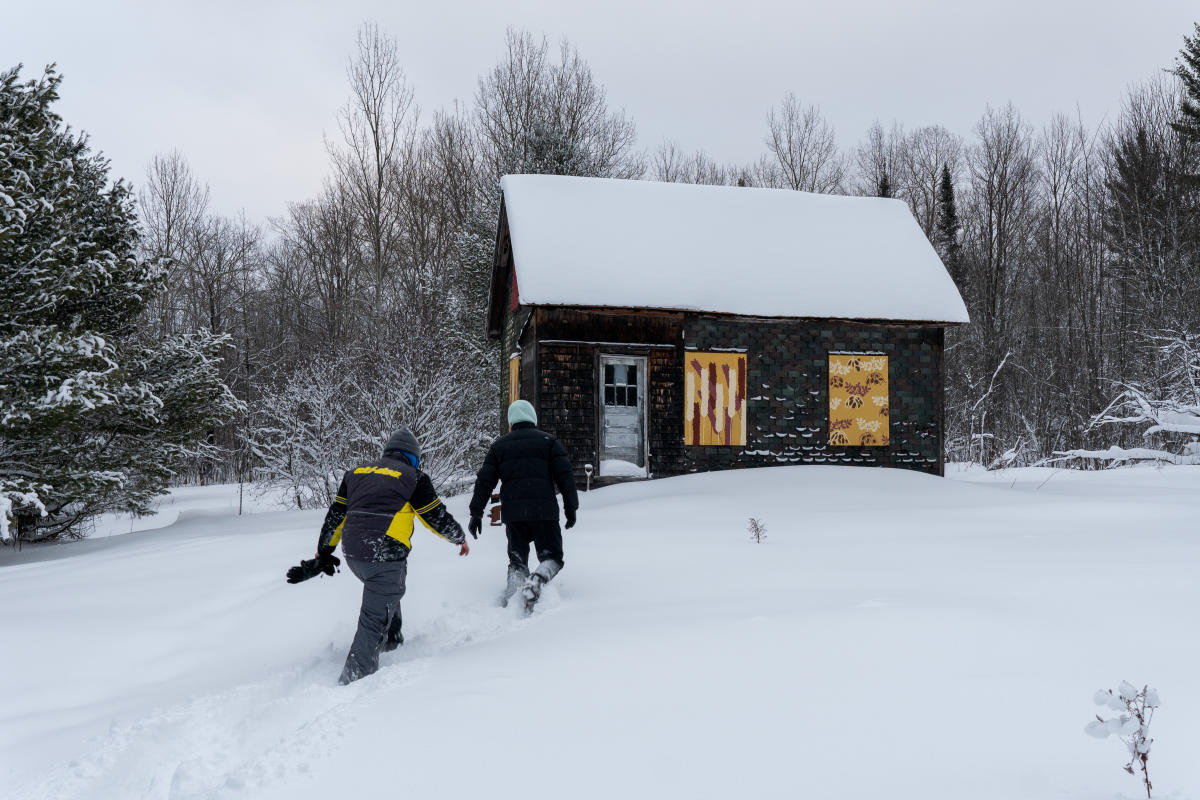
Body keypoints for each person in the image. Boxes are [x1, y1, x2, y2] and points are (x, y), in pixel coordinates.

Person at [286, 428, 470, 685]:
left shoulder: (357, 474)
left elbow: (336, 517)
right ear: (414, 457)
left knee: (388, 589)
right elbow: (434, 516)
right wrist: (459, 538)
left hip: (354, 555)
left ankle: (393, 639)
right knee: (374, 617)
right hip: (384, 553)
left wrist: (324, 551)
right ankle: (354, 678)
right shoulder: (413, 477)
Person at [468, 400, 579, 611]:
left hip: (514, 515)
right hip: (544, 513)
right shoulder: (549, 442)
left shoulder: (499, 446)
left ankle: (512, 597)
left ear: (512, 421)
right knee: (552, 556)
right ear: (533, 418)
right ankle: (537, 580)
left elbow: (485, 482)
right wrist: (570, 507)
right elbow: (566, 477)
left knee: (517, 560)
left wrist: (476, 513)